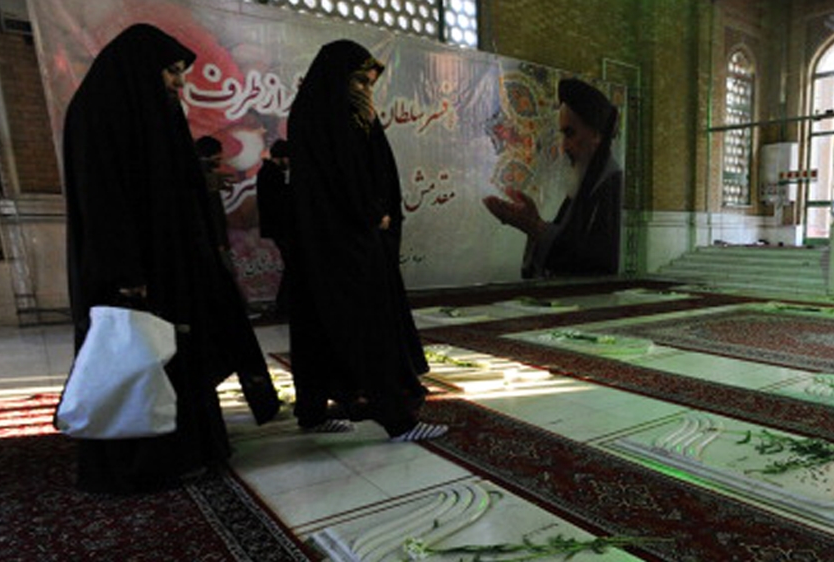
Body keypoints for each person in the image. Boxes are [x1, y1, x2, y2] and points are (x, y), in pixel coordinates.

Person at [62, 24, 279, 494]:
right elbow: (102, 203)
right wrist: (124, 273)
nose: (179, 82)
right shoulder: (100, 114)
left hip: (170, 265)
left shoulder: (152, 114)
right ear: (142, 67)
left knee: (177, 359)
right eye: (172, 71)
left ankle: (191, 448)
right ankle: (140, 464)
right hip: (133, 271)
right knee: (134, 365)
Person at [287, 39, 445, 441]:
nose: (364, 92)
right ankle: (397, 421)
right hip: (344, 241)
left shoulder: (317, 111)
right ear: (338, 78)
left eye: (370, 85)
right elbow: (346, 174)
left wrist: (369, 123)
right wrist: (372, 213)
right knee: (367, 329)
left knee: (316, 327)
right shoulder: (331, 116)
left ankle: (311, 411)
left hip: (319, 242)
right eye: (359, 82)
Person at [483, 78, 622, 279]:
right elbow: (565, 245)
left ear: (595, 135)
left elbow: (596, 264)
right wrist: (534, 225)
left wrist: (535, 227)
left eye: (570, 134)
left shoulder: (610, 184)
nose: (564, 146)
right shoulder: (584, 183)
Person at [256, 138, 292, 313]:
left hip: (278, 229)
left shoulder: (268, 172)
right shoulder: (272, 174)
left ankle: (284, 305)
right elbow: (280, 204)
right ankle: (283, 305)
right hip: (281, 229)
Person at [194, 135, 235, 270]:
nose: (221, 158)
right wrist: (220, 241)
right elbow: (214, 211)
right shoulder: (207, 176)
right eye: (219, 155)